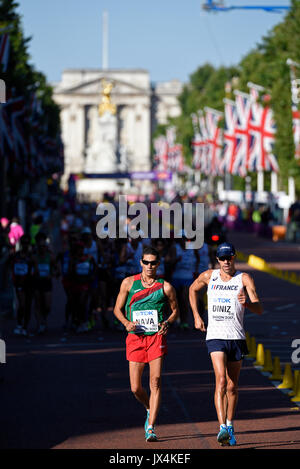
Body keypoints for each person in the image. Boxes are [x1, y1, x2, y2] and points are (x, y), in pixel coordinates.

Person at [189, 242, 263, 446]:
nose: (225, 262)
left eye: (229, 258)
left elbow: (259, 309)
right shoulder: (209, 276)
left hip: (236, 337)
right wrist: (196, 315)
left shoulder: (244, 278)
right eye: (222, 258)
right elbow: (192, 289)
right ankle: (221, 427)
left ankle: (230, 425)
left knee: (232, 386)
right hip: (215, 335)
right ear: (217, 260)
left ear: (234, 257)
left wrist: (246, 303)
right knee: (221, 380)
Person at [113, 245, 179, 442]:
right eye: (146, 262)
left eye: (153, 263)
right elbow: (117, 309)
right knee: (135, 388)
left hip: (156, 337)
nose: (149, 266)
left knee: (156, 381)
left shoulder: (165, 287)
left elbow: (176, 310)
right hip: (135, 337)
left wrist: (167, 322)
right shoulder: (128, 283)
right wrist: (126, 323)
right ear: (141, 262)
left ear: (158, 264)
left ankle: (151, 427)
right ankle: (149, 407)